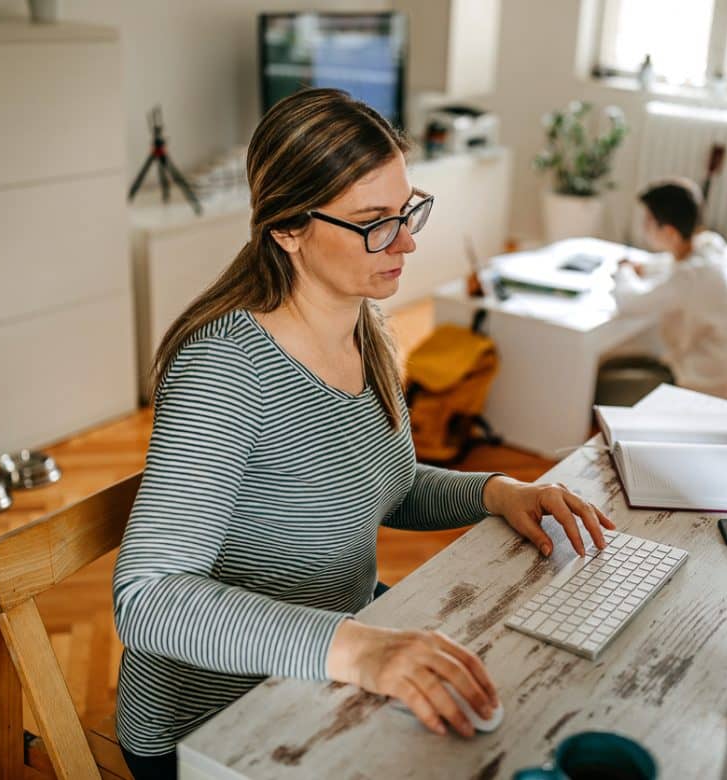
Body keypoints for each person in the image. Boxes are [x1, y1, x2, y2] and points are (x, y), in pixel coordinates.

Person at [112, 88, 614, 779]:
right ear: (287, 228)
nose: (407, 241)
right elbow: (148, 598)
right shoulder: (224, 371)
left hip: (324, 673)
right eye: (374, 221)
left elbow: (386, 487)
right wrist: (363, 651)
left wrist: (497, 492)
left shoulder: (365, 327)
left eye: (407, 210)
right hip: (215, 725)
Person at [612, 178, 727, 400]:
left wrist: (623, 272)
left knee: (605, 384)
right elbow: (672, 266)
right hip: (717, 375)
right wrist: (644, 268)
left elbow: (629, 303)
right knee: (622, 361)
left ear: (669, 233)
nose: (643, 228)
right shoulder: (709, 246)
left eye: (648, 222)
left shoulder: (690, 277)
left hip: (701, 386)